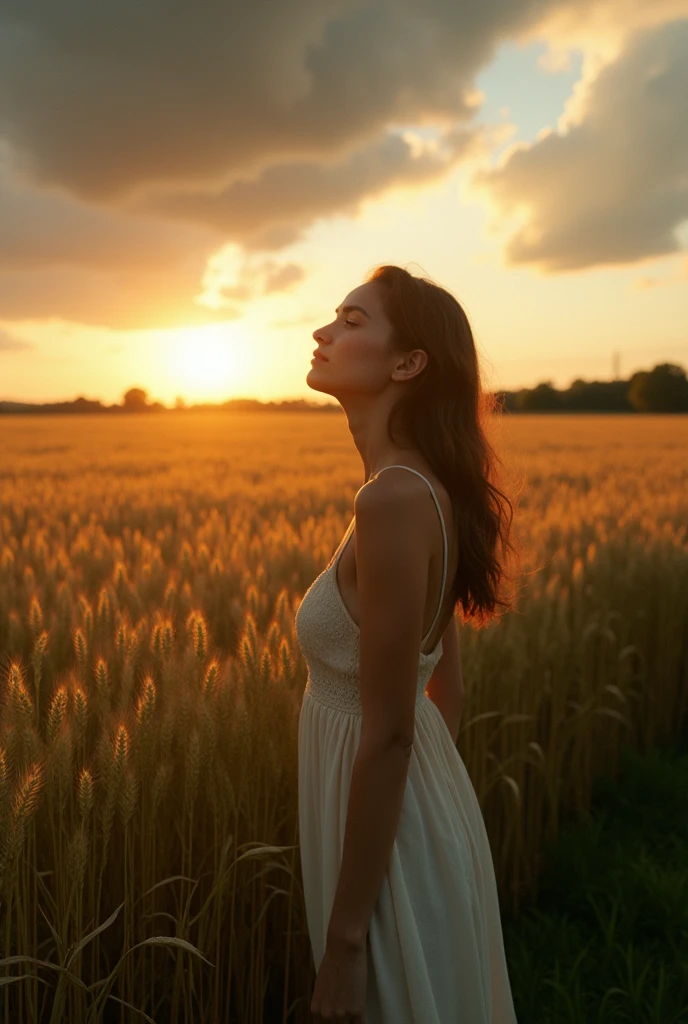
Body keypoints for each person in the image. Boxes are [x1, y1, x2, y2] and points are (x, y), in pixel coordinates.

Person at [295, 264, 519, 1023]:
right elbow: (443, 687)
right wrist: (425, 811)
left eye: (353, 321)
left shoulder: (391, 498)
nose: (324, 332)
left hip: (381, 827)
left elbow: (391, 733)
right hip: (408, 816)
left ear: (408, 363)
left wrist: (348, 941)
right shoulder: (422, 488)